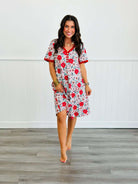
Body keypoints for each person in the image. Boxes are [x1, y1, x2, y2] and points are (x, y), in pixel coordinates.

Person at [44, 15, 92, 163]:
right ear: (62, 27)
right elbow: (51, 65)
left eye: (72, 27)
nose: (69, 30)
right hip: (60, 87)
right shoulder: (54, 44)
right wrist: (56, 82)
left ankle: (69, 136)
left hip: (76, 85)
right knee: (61, 116)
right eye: (66, 26)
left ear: (75, 29)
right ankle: (62, 150)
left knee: (72, 113)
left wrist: (86, 83)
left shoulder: (79, 46)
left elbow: (82, 66)